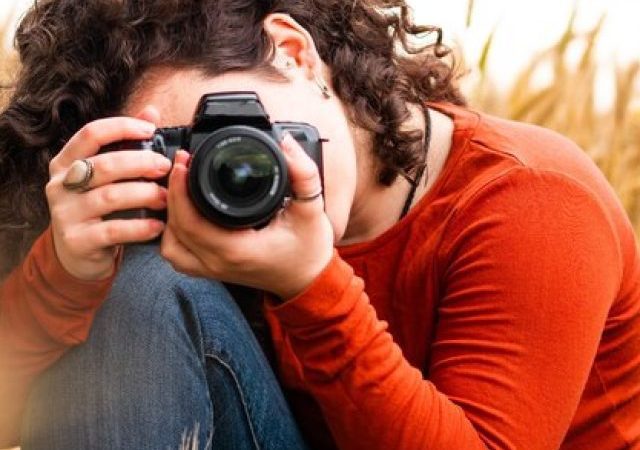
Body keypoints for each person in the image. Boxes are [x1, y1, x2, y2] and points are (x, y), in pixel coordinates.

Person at [1, 0, 639, 449]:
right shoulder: (177, 231)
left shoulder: (530, 199)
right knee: (131, 284)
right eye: (177, 153)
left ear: (295, 53)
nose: (226, 176)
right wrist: (61, 278)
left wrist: (311, 284)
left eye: (232, 130)